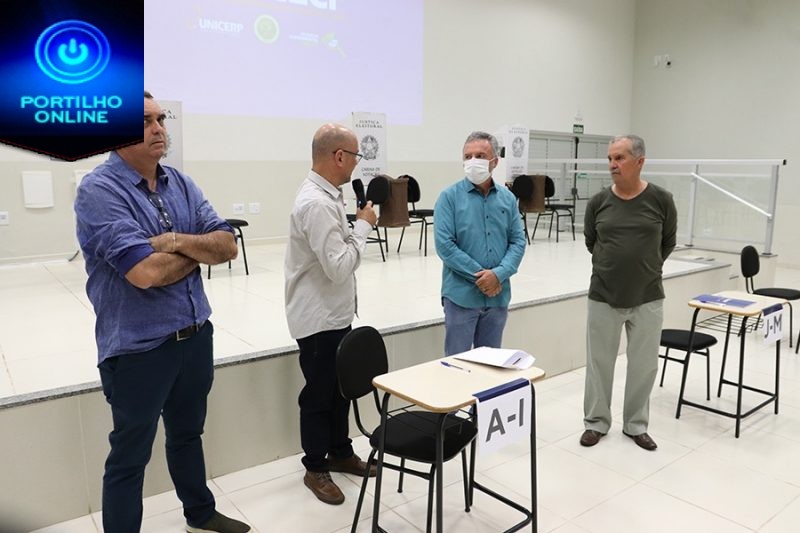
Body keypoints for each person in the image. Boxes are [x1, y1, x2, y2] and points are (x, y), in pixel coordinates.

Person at [75, 91, 251, 533]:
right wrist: (198, 250)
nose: (158, 129)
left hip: (195, 335)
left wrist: (173, 241)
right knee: (130, 456)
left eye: (161, 119)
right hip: (139, 349)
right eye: (145, 121)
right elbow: (145, 273)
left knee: (188, 434)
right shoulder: (99, 191)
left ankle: (200, 513)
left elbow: (227, 245)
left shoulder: (182, 184)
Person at [284, 123, 379, 505]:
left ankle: (340, 451)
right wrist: (363, 227)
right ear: (339, 156)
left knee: (340, 392)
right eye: (356, 156)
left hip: (334, 315)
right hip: (318, 321)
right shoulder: (318, 203)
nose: (357, 163)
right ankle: (315, 466)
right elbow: (338, 266)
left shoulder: (329, 196)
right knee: (319, 396)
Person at [580, 134, 677, 451]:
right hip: (603, 295)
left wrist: (646, 267)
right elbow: (591, 241)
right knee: (599, 363)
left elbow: (668, 242)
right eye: (610, 158)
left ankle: (636, 425)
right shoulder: (598, 202)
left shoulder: (661, 200)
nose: (612, 164)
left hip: (648, 296)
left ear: (640, 161)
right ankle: (596, 422)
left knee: (644, 365)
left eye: (619, 158)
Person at [434, 131, 527, 356]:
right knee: (457, 365)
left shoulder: (507, 199)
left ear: (494, 161)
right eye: (468, 156)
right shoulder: (449, 197)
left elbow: (518, 241)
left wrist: (498, 274)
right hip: (461, 297)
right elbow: (445, 246)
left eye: (480, 155)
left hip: (498, 296)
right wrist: (483, 278)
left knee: (491, 364)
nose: (473, 161)